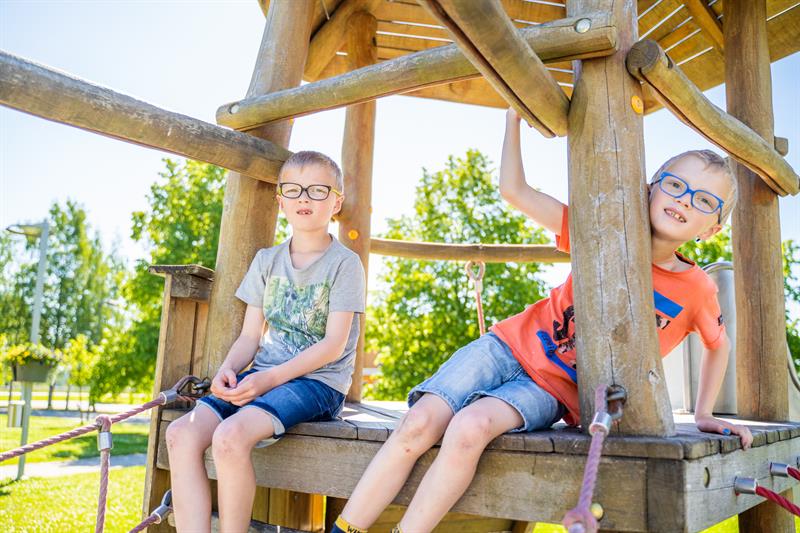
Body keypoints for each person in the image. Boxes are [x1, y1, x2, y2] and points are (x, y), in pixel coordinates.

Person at [330, 109, 752, 533]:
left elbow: (719, 345)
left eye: (703, 200)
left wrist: (704, 414)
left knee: (469, 427)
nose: (683, 200)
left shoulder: (696, 289)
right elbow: (514, 190)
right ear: (651, 188)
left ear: (712, 228)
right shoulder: (602, 229)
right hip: (505, 347)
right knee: (419, 422)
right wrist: (514, 119)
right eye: (676, 186)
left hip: (554, 386)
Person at [166, 150, 366, 533]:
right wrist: (228, 370)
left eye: (318, 190)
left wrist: (268, 380)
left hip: (318, 383)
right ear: (280, 200)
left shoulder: (345, 264)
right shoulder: (266, 260)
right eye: (293, 189)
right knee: (181, 433)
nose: (304, 198)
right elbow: (249, 335)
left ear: (336, 201)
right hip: (262, 373)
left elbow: (332, 346)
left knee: (229, 437)